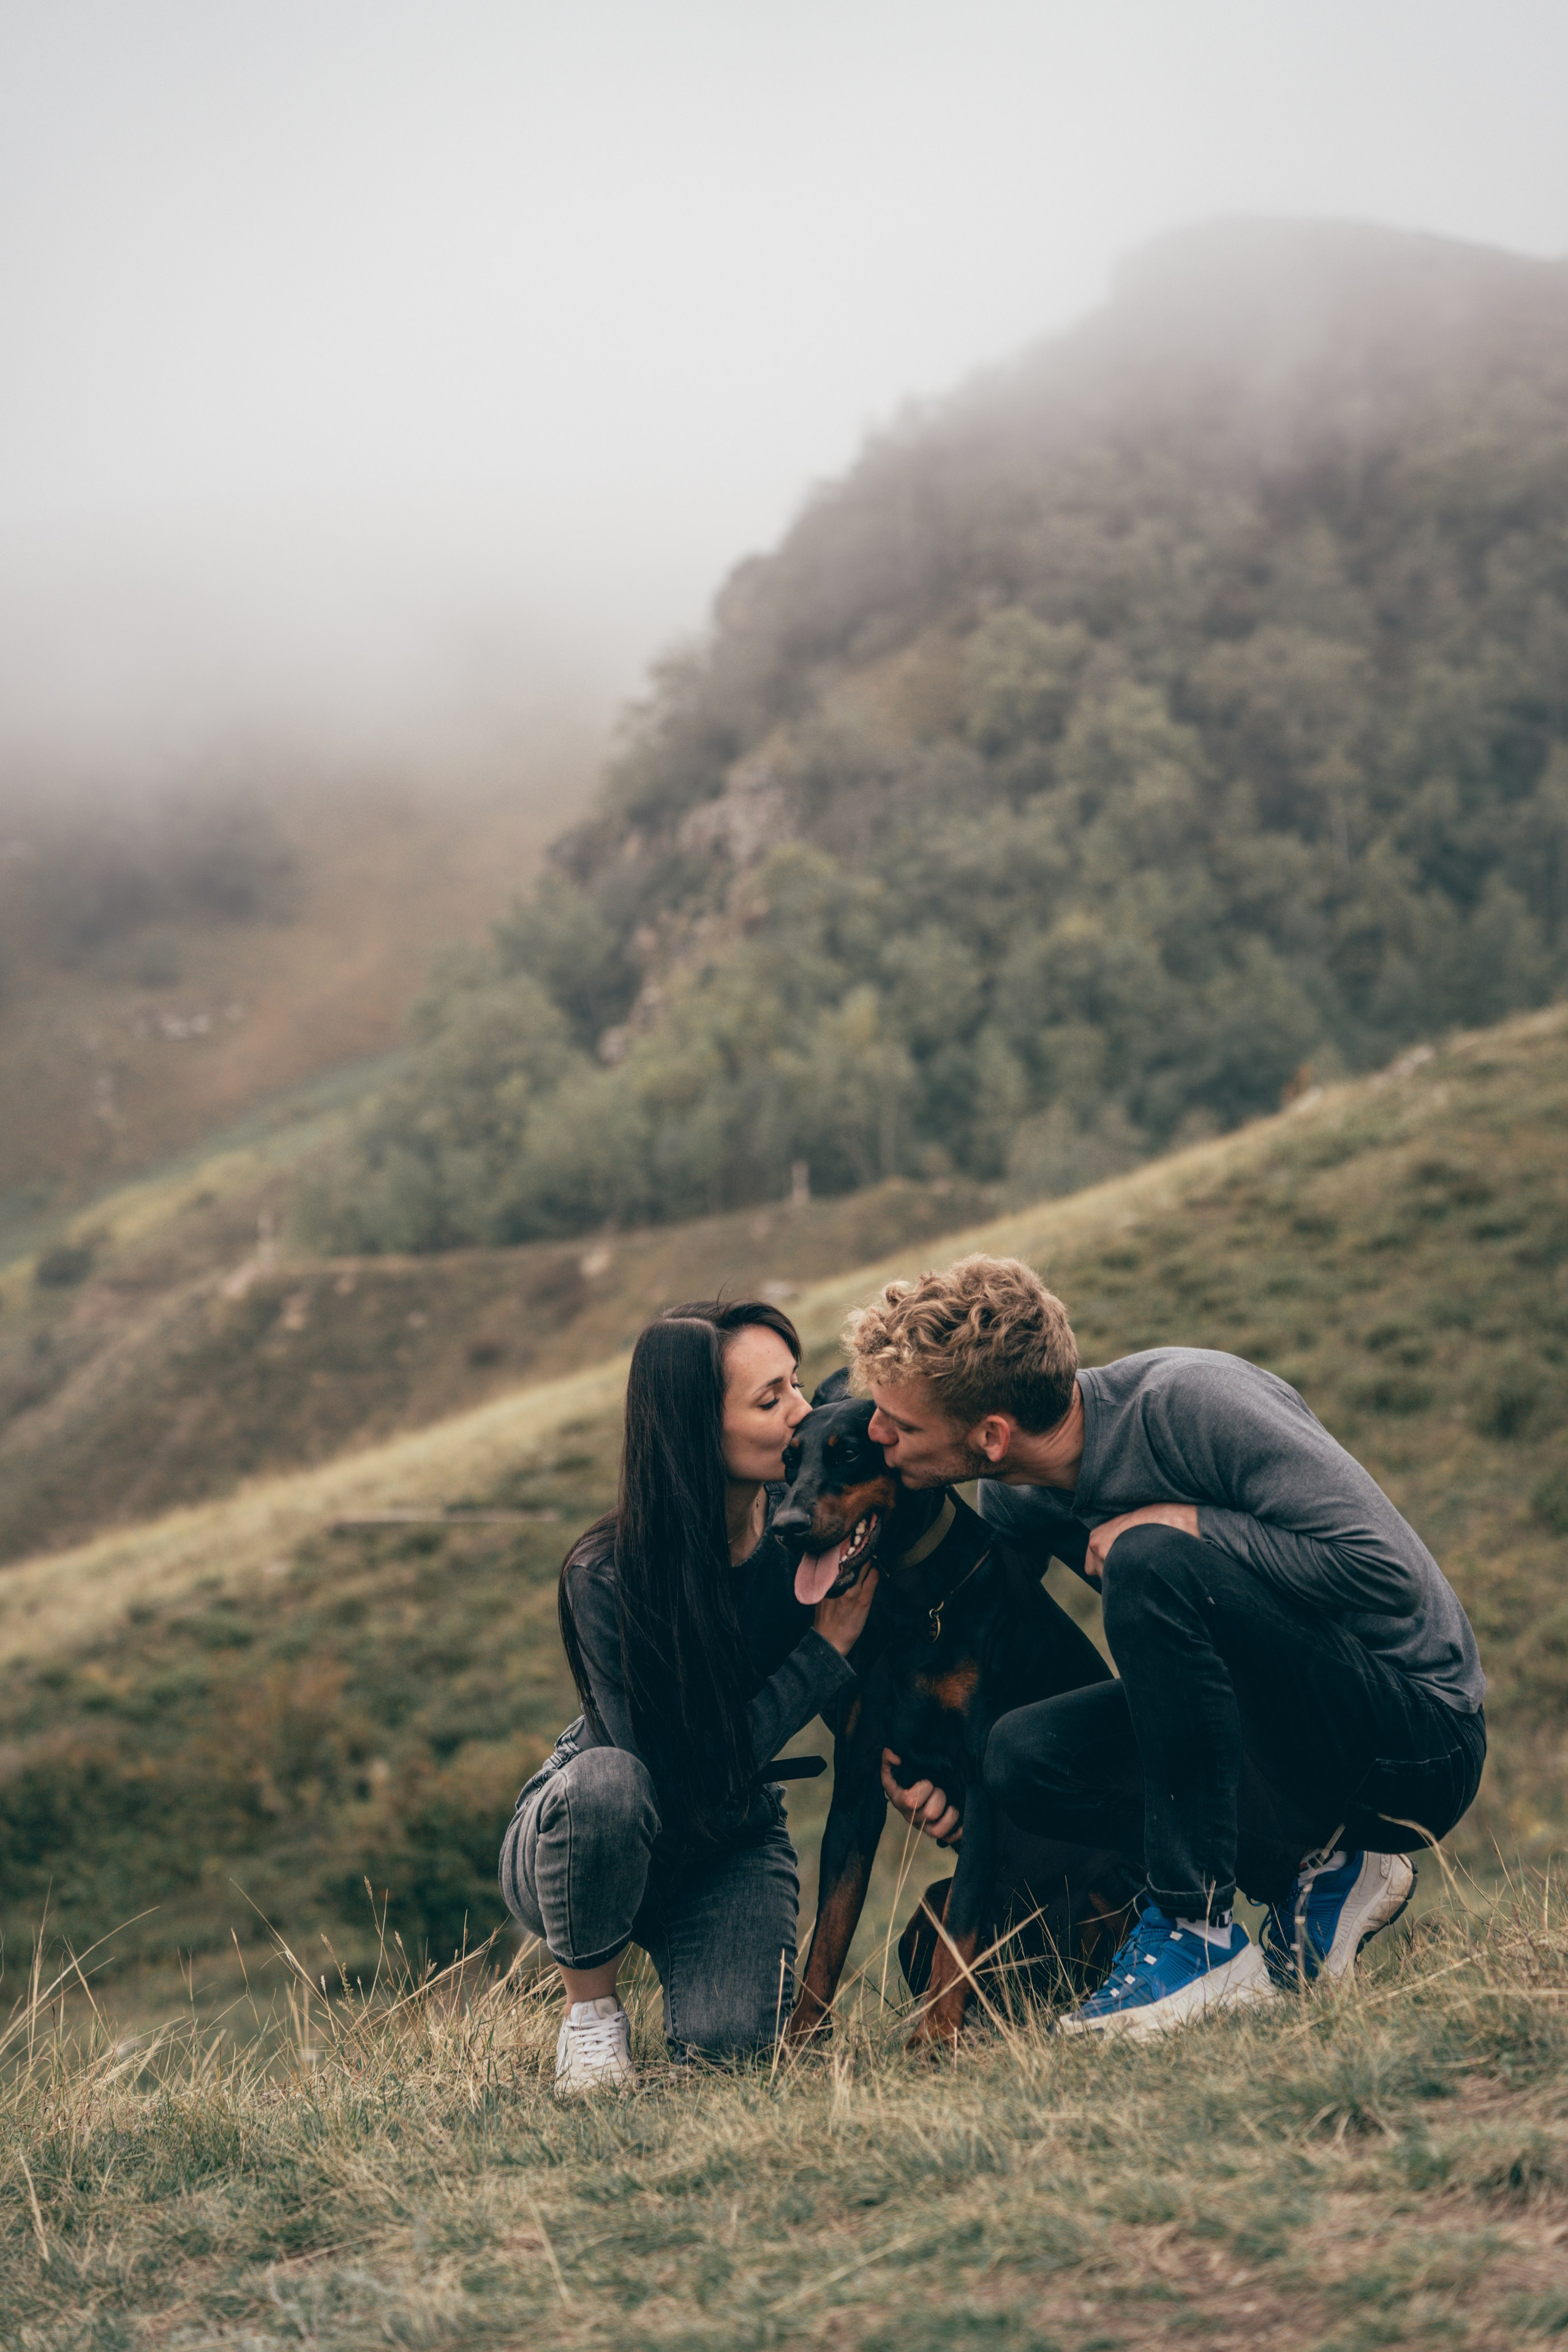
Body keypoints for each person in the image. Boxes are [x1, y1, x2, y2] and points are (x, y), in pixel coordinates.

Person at [847, 1254, 1484, 2040]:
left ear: (990, 1434)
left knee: (1149, 1559)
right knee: (1023, 1754)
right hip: (1268, 1750)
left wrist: (1188, 1526)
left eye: (899, 1425)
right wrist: (935, 1773)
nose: (877, 1436)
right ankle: (1312, 1870)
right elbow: (1003, 1661)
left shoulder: (1194, 1404)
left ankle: (1199, 1937)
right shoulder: (1013, 1495)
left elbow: (1386, 1575)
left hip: (1414, 1743)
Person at [499, 1298, 876, 2096]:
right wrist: (825, 1653)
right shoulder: (606, 1573)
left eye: (797, 1385)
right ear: (697, 1430)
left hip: (729, 1842)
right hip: (597, 1833)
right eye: (770, 1400)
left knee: (734, 2050)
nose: (802, 1413)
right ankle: (591, 2019)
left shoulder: (804, 1537)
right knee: (609, 1784)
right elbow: (672, 1775)